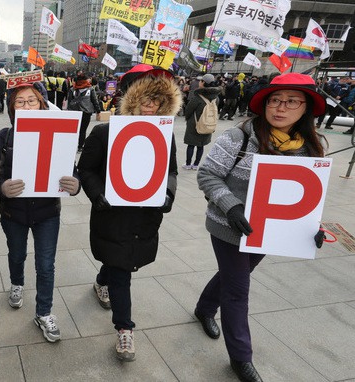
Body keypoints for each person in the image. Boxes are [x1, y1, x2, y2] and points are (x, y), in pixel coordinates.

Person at [194, 73, 327, 382]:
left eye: (292, 101)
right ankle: (241, 357)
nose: (280, 108)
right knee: (238, 290)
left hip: (269, 233)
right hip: (228, 228)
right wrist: (232, 205)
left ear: (306, 108)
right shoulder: (238, 137)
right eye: (275, 100)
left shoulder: (310, 147)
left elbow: (307, 195)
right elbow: (208, 175)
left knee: (233, 277)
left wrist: (311, 226)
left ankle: (203, 307)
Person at [77, 64, 180, 361]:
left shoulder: (165, 135)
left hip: (146, 216)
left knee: (120, 262)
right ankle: (125, 328)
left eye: (158, 103)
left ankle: (101, 281)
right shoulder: (104, 132)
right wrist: (98, 194)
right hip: (112, 214)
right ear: (132, 101)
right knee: (122, 271)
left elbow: (171, 171)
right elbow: (86, 169)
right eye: (146, 101)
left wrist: (168, 194)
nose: (151, 108)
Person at [0, 82, 81, 343]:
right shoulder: (3, 137)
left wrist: (76, 184)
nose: (26, 106)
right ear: (11, 107)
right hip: (13, 214)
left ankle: (44, 312)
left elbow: (72, 172)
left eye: (32, 100)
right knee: (16, 255)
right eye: (20, 101)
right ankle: (17, 283)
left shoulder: (58, 133)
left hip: (48, 213)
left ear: (42, 103)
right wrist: (2, 187)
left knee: (46, 265)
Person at [183, 73, 221, 170]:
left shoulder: (197, 97)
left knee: (191, 145)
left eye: (201, 80)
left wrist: (188, 119)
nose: (199, 82)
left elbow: (188, 111)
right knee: (201, 146)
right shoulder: (216, 98)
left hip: (194, 124)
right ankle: (196, 165)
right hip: (208, 124)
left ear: (203, 82)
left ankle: (188, 164)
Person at [67, 74, 101, 152]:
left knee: (75, 130)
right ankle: (80, 147)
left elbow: (69, 102)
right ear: (85, 80)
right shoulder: (90, 89)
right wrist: (98, 111)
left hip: (74, 113)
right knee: (83, 130)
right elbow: (94, 100)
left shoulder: (72, 89)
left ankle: (71, 146)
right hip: (86, 112)